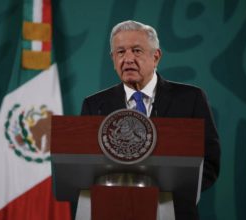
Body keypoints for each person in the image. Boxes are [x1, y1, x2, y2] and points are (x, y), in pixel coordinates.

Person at [81, 20, 220, 220]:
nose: (128, 59)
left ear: (156, 56)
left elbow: (209, 160)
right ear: (113, 59)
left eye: (136, 50)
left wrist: (172, 195)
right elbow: (85, 164)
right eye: (120, 52)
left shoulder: (191, 99)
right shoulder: (95, 105)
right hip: (115, 212)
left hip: (173, 211)